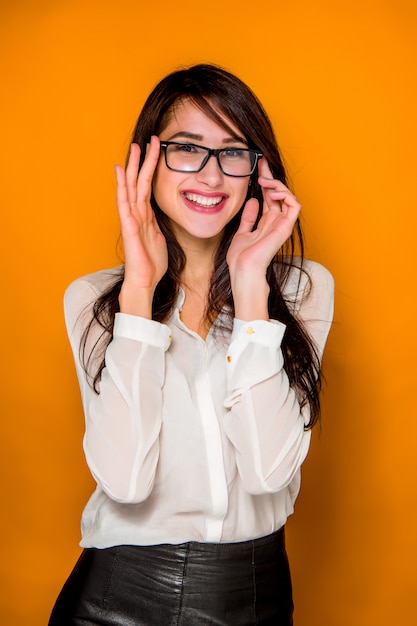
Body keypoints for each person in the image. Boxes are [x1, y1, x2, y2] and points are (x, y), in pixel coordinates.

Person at [49, 63, 334, 625]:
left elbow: (267, 474)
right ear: (147, 163)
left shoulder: (303, 289)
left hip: (256, 596)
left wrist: (252, 289)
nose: (211, 176)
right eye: (186, 148)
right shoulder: (94, 299)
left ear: (258, 171)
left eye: (233, 152)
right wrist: (138, 292)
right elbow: (125, 482)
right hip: (114, 599)